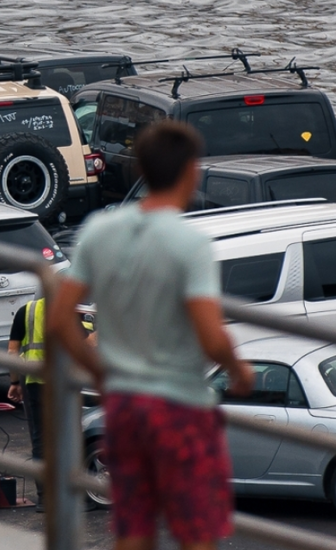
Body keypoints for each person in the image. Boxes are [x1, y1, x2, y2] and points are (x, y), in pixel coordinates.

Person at [48, 121, 253, 550]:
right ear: (191, 171)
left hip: (123, 405)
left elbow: (59, 319)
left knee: (134, 528)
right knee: (195, 529)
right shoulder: (189, 244)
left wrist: (102, 374)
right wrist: (238, 371)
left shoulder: (99, 232)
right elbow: (210, 334)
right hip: (180, 407)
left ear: (140, 168)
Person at [7, 297, 93, 512]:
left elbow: (12, 351)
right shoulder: (72, 309)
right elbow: (88, 343)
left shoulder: (26, 310)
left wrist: (14, 382)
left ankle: (45, 498)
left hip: (35, 382)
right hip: (64, 383)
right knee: (71, 437)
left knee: (41, 439)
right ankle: (77, 496)